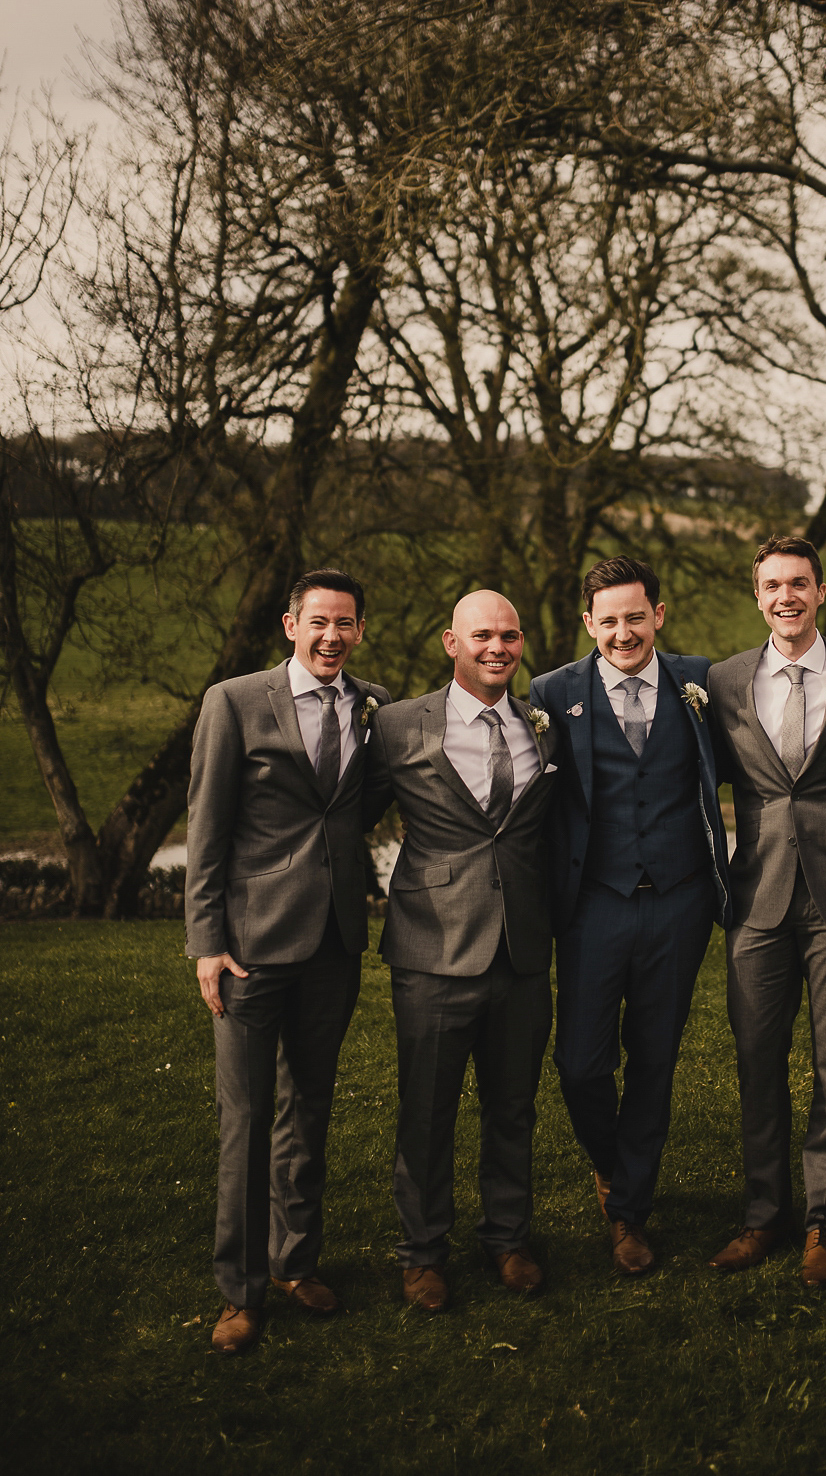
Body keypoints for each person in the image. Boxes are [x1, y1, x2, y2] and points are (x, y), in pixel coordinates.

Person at [185, 569, 391, 1355]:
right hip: (248, 950)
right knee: (244, 1119)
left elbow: (359, 805)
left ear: (359, 630)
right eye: (319, 623)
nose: (332, 636)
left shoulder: (373, 706)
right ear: (289, 625)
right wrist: (206, 940)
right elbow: (206, 829)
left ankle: (294, 1261)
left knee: (309, 1108)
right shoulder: (234, 702)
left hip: (334, 944)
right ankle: (238, 1293)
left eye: (345, 623)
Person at [529, 556, 730, 1276]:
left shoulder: (699, 682)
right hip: (592, 906)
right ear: (590, 623)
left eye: (635, 617)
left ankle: (628, 1214)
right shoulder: (552, 692)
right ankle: (612, 1164)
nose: (623, 632)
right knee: (580, 1063)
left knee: (654, 1060)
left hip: (679, 902)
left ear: (659, 616)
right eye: (608, 620)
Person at [705, 535, 826, 1284]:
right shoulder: (723, 682)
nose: (787, 596)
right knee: (757, 1062)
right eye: (773, 585)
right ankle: (762, 1217)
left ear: (821, 592)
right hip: (756, 896)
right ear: (757, 597)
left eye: (800, 584)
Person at [363, 590, 560, 1313]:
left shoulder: (543, 726)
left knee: (513, 1107)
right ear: (451, 642)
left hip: (521, 946)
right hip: (431, 947)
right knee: (428, 1108)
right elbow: (349, 813)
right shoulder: (396, 725)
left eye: (509, 636)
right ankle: (422, 1253)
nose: (498, 648)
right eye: (482, 636)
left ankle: (508, 1239)